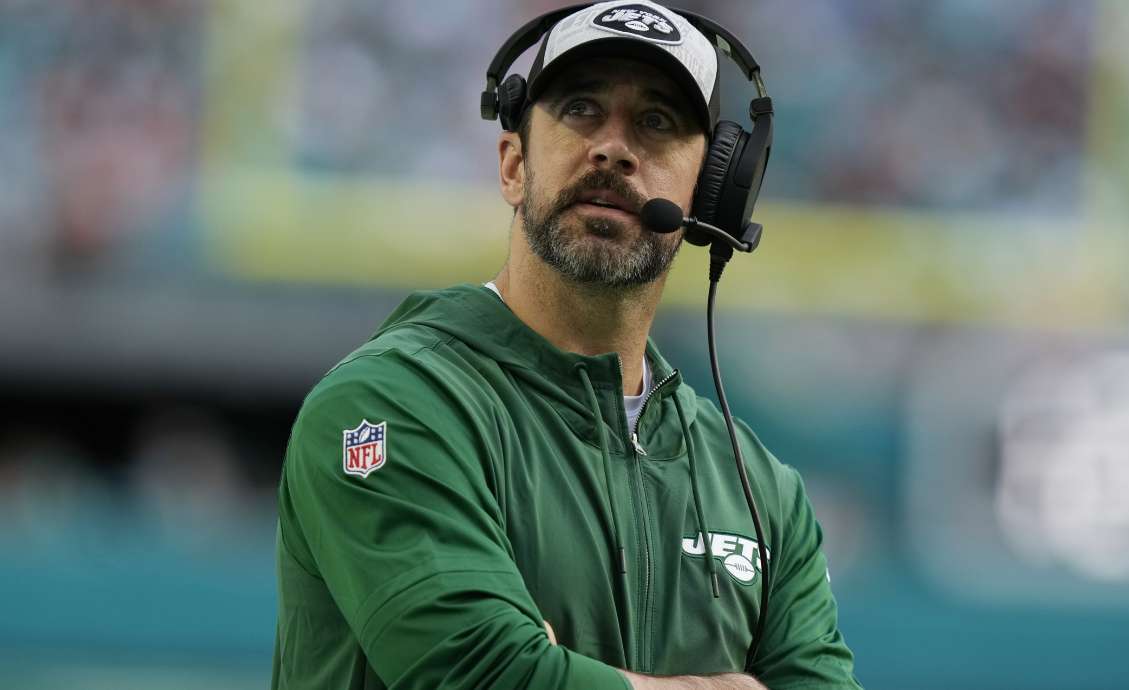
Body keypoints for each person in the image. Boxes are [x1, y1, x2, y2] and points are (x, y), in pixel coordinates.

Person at [271, 2, 861, 688]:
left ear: (711, 194)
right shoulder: (389, 404)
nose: (613, 148)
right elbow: (485, 677)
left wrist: (566, 674)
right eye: (581, 110)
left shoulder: (759, 490)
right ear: (513, 165)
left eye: (656, 122)